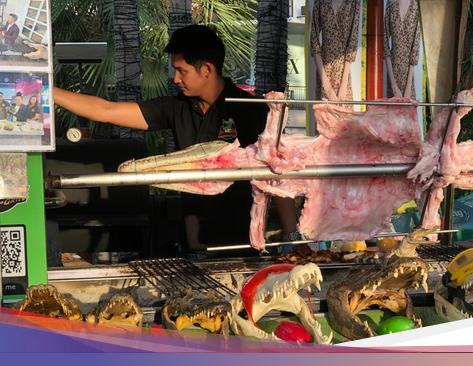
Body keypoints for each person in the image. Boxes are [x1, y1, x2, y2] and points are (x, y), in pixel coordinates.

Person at [54, 24, 297, 251]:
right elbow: (106, 111)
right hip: (194, 241)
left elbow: (278, 173)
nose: (175, 79)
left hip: (247, 239)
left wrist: (291, 238)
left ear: (207, 70)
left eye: (182, 71)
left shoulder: (251, 109)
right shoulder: (175, 107)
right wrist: (47, 90)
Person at [310, 0, 360, 103]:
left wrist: (343, 85)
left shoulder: (354, 3)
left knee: (344, 116)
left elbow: (352, 42)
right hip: (324, 71)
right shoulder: (320, 2)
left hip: (343, 73)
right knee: (323, 117)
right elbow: (314, 42)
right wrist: (327, 87)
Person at [384, 0, 421, 99]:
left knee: (408, 113)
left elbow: (415, 48)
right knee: (392, 113)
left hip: (408, 77)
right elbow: (384, 43)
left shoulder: (416, 6)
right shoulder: (391, 3)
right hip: (392, 73)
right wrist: (393, 86)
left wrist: (408, 88)